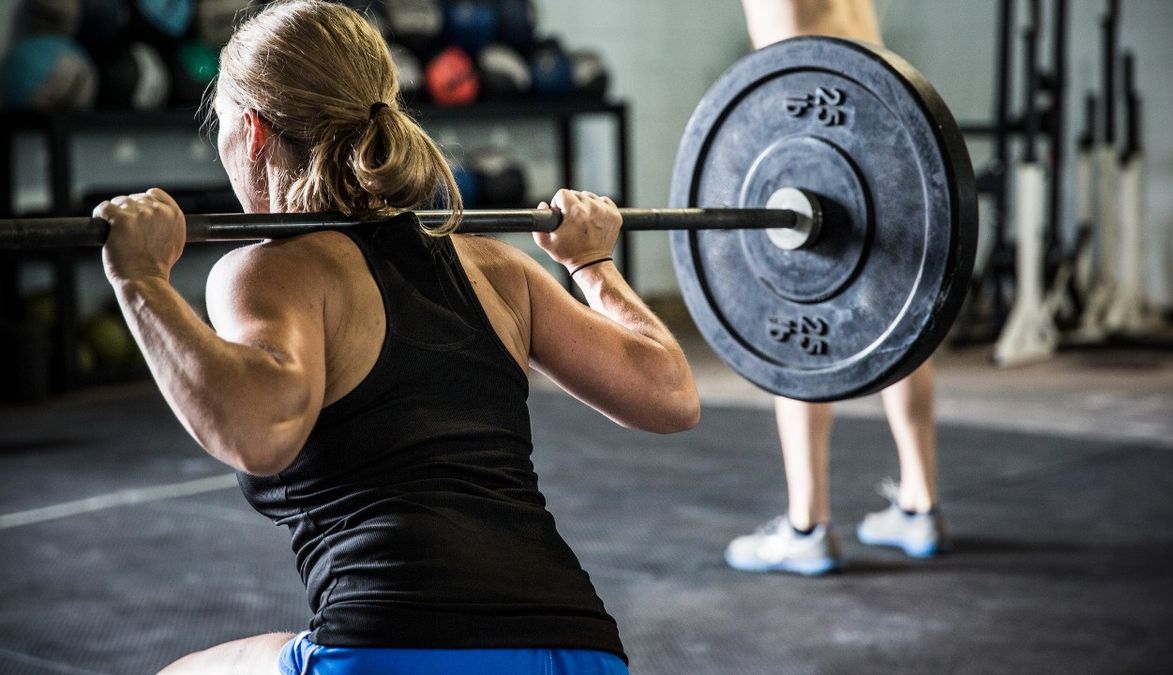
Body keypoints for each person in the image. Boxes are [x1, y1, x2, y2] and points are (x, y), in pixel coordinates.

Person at [94, 1, 699, 672]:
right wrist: (593, 263)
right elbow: (670, 394)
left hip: (391, 646)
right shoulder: (495, 266)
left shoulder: (270, 269)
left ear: (254, 132)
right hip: (580, 650)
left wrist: (140, 279)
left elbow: (260, 432)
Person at [724, 0, 948, 577]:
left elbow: (787, 59)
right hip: (879, 122)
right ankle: (920, 505)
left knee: (798, 319)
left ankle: (807, 525)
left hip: (808, 135)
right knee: (899, 314)